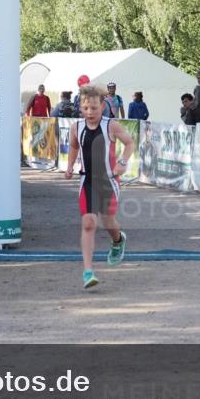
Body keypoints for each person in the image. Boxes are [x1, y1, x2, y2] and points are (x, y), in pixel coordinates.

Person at [64, 85, 134, 289]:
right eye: (85, 108)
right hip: (87, 180)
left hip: (108, 180)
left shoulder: (111, 125)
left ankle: (118, 240)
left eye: (94, 108)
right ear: (81, 108)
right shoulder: (76, 127)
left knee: (108, 221)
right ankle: (88, 272)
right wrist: (70, 165)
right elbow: (75, 145)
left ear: (102, 106)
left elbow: (129, 143)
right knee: (88, 223)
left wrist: (122, 161)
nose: (90, 112)